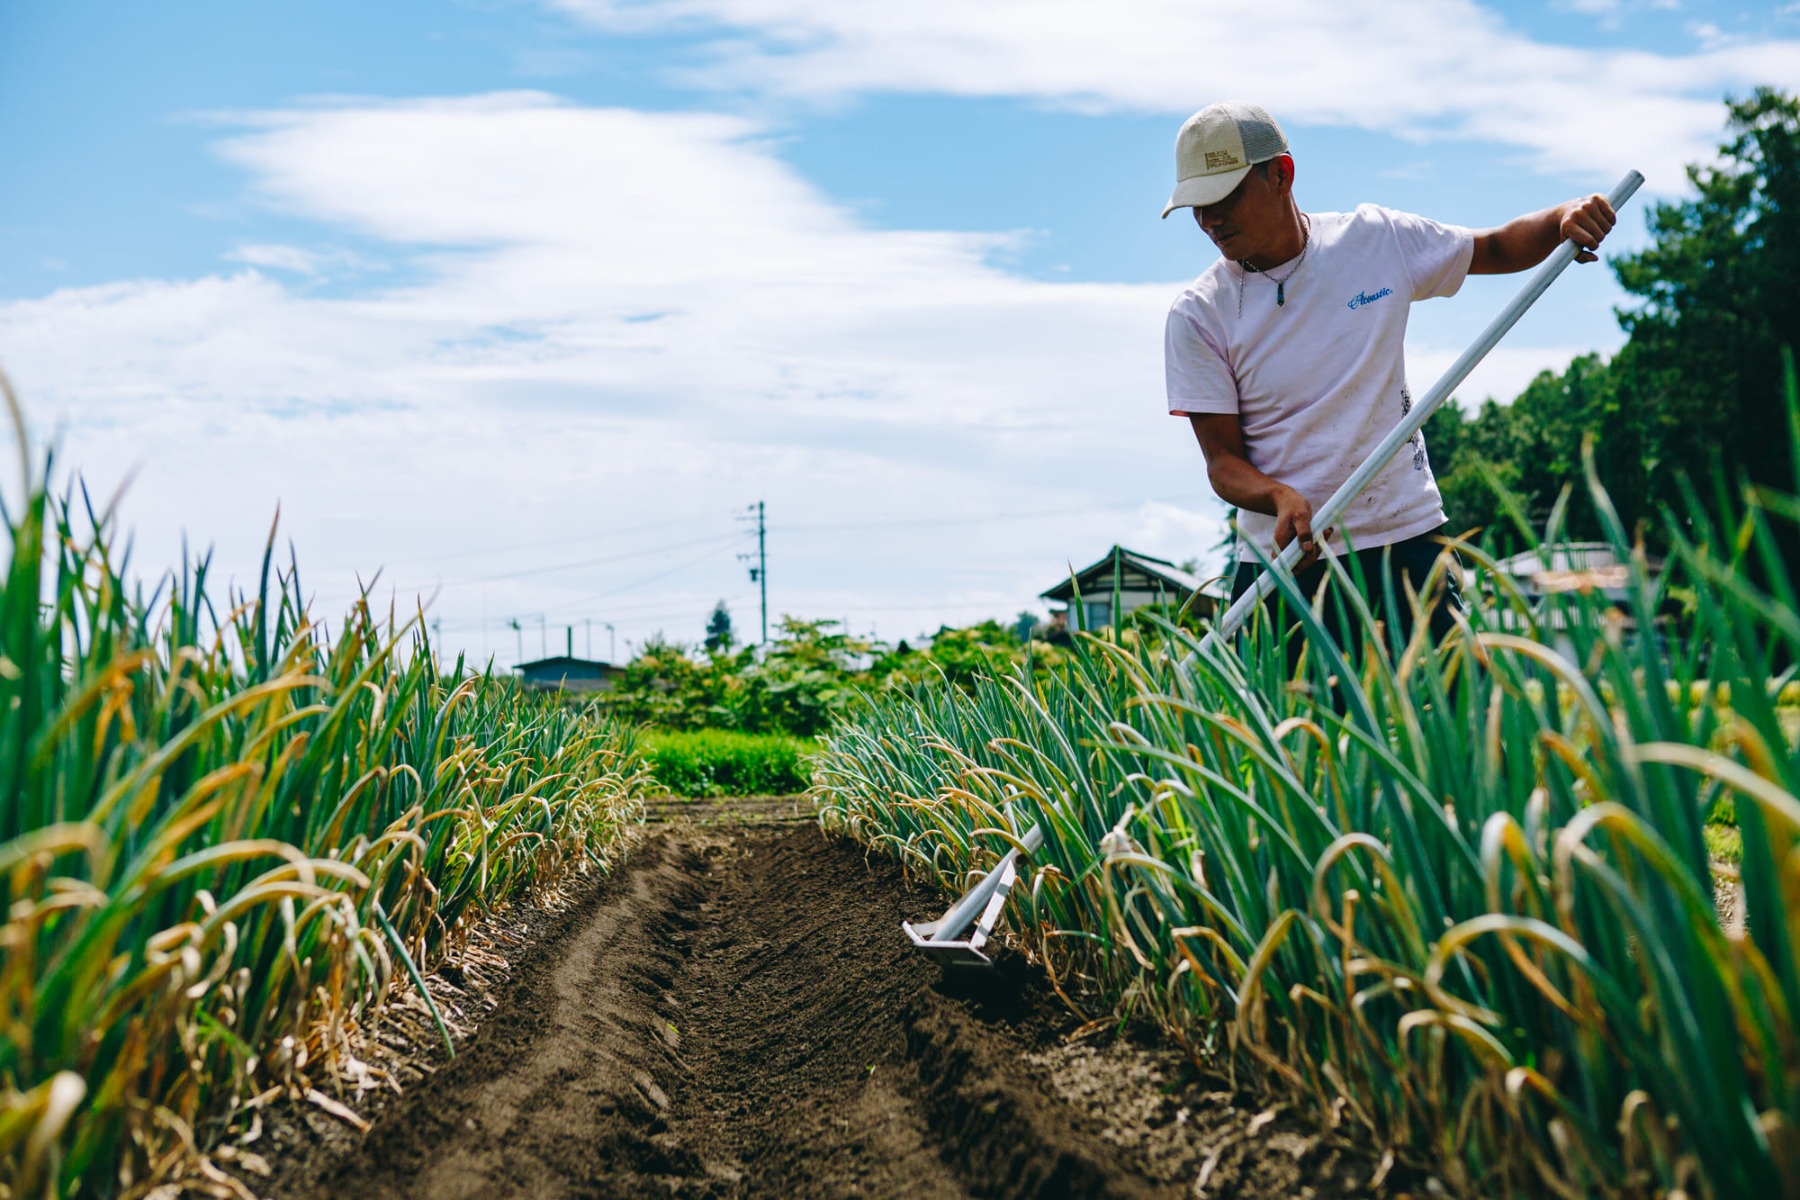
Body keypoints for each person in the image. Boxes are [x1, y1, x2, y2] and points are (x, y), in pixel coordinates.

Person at [1161, 101, 1616, 657]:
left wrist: (1561, 219)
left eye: (1224, 198)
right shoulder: (1199, 315)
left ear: (1280, 174)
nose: (1209, 221)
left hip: (1404, 538)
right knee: (1295, 741)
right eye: (1197, 207)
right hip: (1285, 565)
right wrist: (1278, 496)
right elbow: (1222, 464)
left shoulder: (1374, 242)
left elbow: (1494, 246)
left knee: (1453, 724)